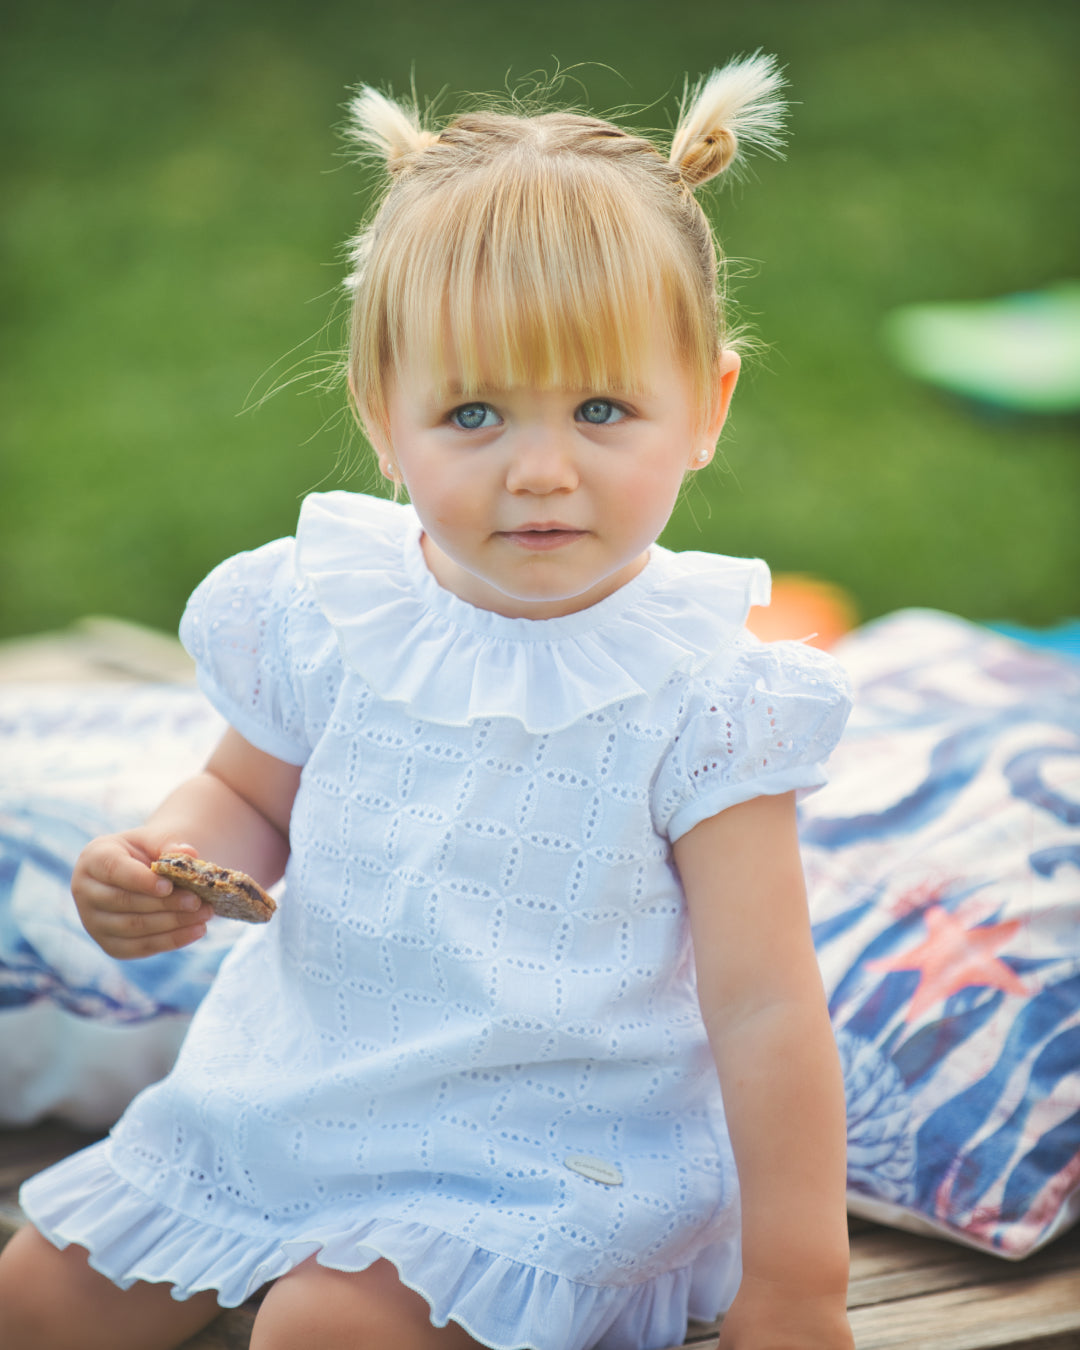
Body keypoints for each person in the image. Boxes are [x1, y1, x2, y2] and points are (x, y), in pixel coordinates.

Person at [0, 54, 855, 1350]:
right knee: (36, 1295)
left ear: (708, 406)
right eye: (471, 412)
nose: (542, 470)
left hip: (555, 1154)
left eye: (605, 406)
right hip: (298, 1093)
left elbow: (766, 1005)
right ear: (381, 415)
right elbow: (243, 794)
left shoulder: (706, 695)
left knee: (324, 1330)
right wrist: (169, 862)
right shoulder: (330, 611)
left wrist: (799, 1290)